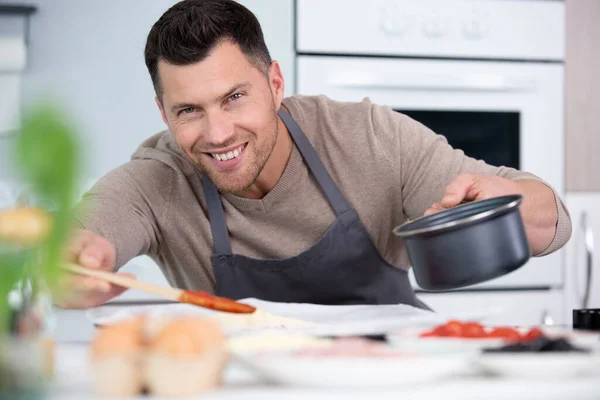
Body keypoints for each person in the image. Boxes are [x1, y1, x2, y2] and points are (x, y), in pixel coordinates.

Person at [56, 0, 571, 309]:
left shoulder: (369, 136)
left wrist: (510, 205)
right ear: (163, 112)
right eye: (189, 109)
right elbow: (76, 241)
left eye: (235, 97)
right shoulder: (157, 180)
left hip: (393, 378)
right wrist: (72, 268)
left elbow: (555, 224)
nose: (217, 132)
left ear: (274, 83)